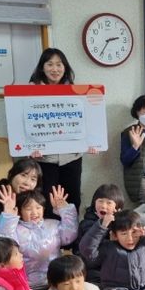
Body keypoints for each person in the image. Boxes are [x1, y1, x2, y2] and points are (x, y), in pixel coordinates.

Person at [29, 47, 96, 217]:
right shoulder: (29, 93)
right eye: (50, 64)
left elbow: (86, 122)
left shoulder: (77, 93)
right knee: (46, 201)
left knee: (73, 199)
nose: (55, 69)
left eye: (59, 64)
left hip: (72, 157)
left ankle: (71, 234)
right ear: (42, 67)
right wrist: (27, 148)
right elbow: (23, 124)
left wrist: (93, 142)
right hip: (45, 158)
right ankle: (49, 234)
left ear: (65, 67)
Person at [0, 186, 78, 290]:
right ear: (20, 211)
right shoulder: (15, 229)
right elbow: (5, 244)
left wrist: (66, 210)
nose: (34, 212)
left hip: (55, 281)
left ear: (43, 209)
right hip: (26, 286)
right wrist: (8, 217)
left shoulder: (53, 225)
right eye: (28, 209)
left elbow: (69, 235)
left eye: (38, 208)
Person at [75, 183, 125, 285]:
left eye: (109, 203)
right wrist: (103, 225)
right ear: (94, 203)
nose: (103, 205)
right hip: (92, 270)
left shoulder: (122, 224)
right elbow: (88, 253)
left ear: (118, 207)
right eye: (100, 201)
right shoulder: (86, 224)